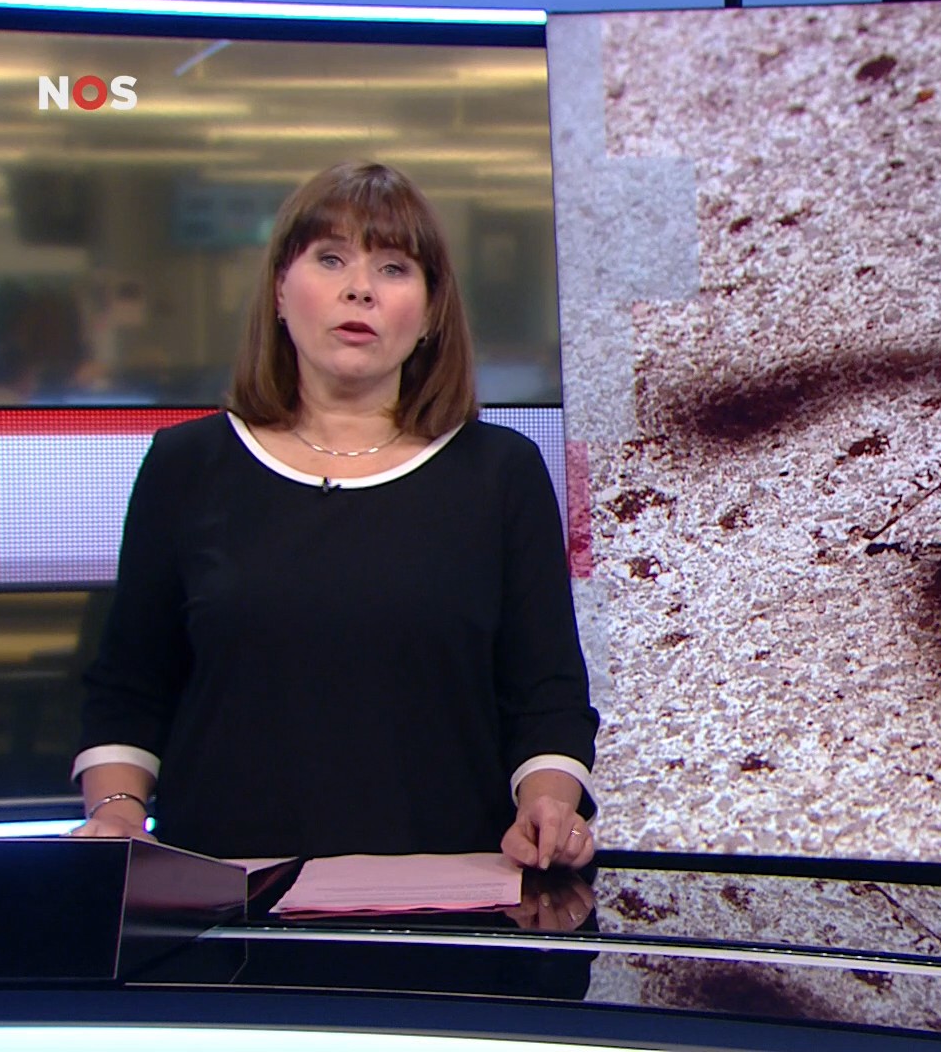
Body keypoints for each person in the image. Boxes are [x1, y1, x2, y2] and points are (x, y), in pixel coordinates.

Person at [70, 162, 598, 869]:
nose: (360, 289)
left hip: (450, 893)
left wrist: (549, 803)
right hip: (227, 898)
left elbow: (547, 694)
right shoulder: (187, 464)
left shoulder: (501, 473)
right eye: (330, 259)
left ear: (431, 313)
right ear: (279, 292)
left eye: (393, 268)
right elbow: (129, 685)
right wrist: (117, 814)